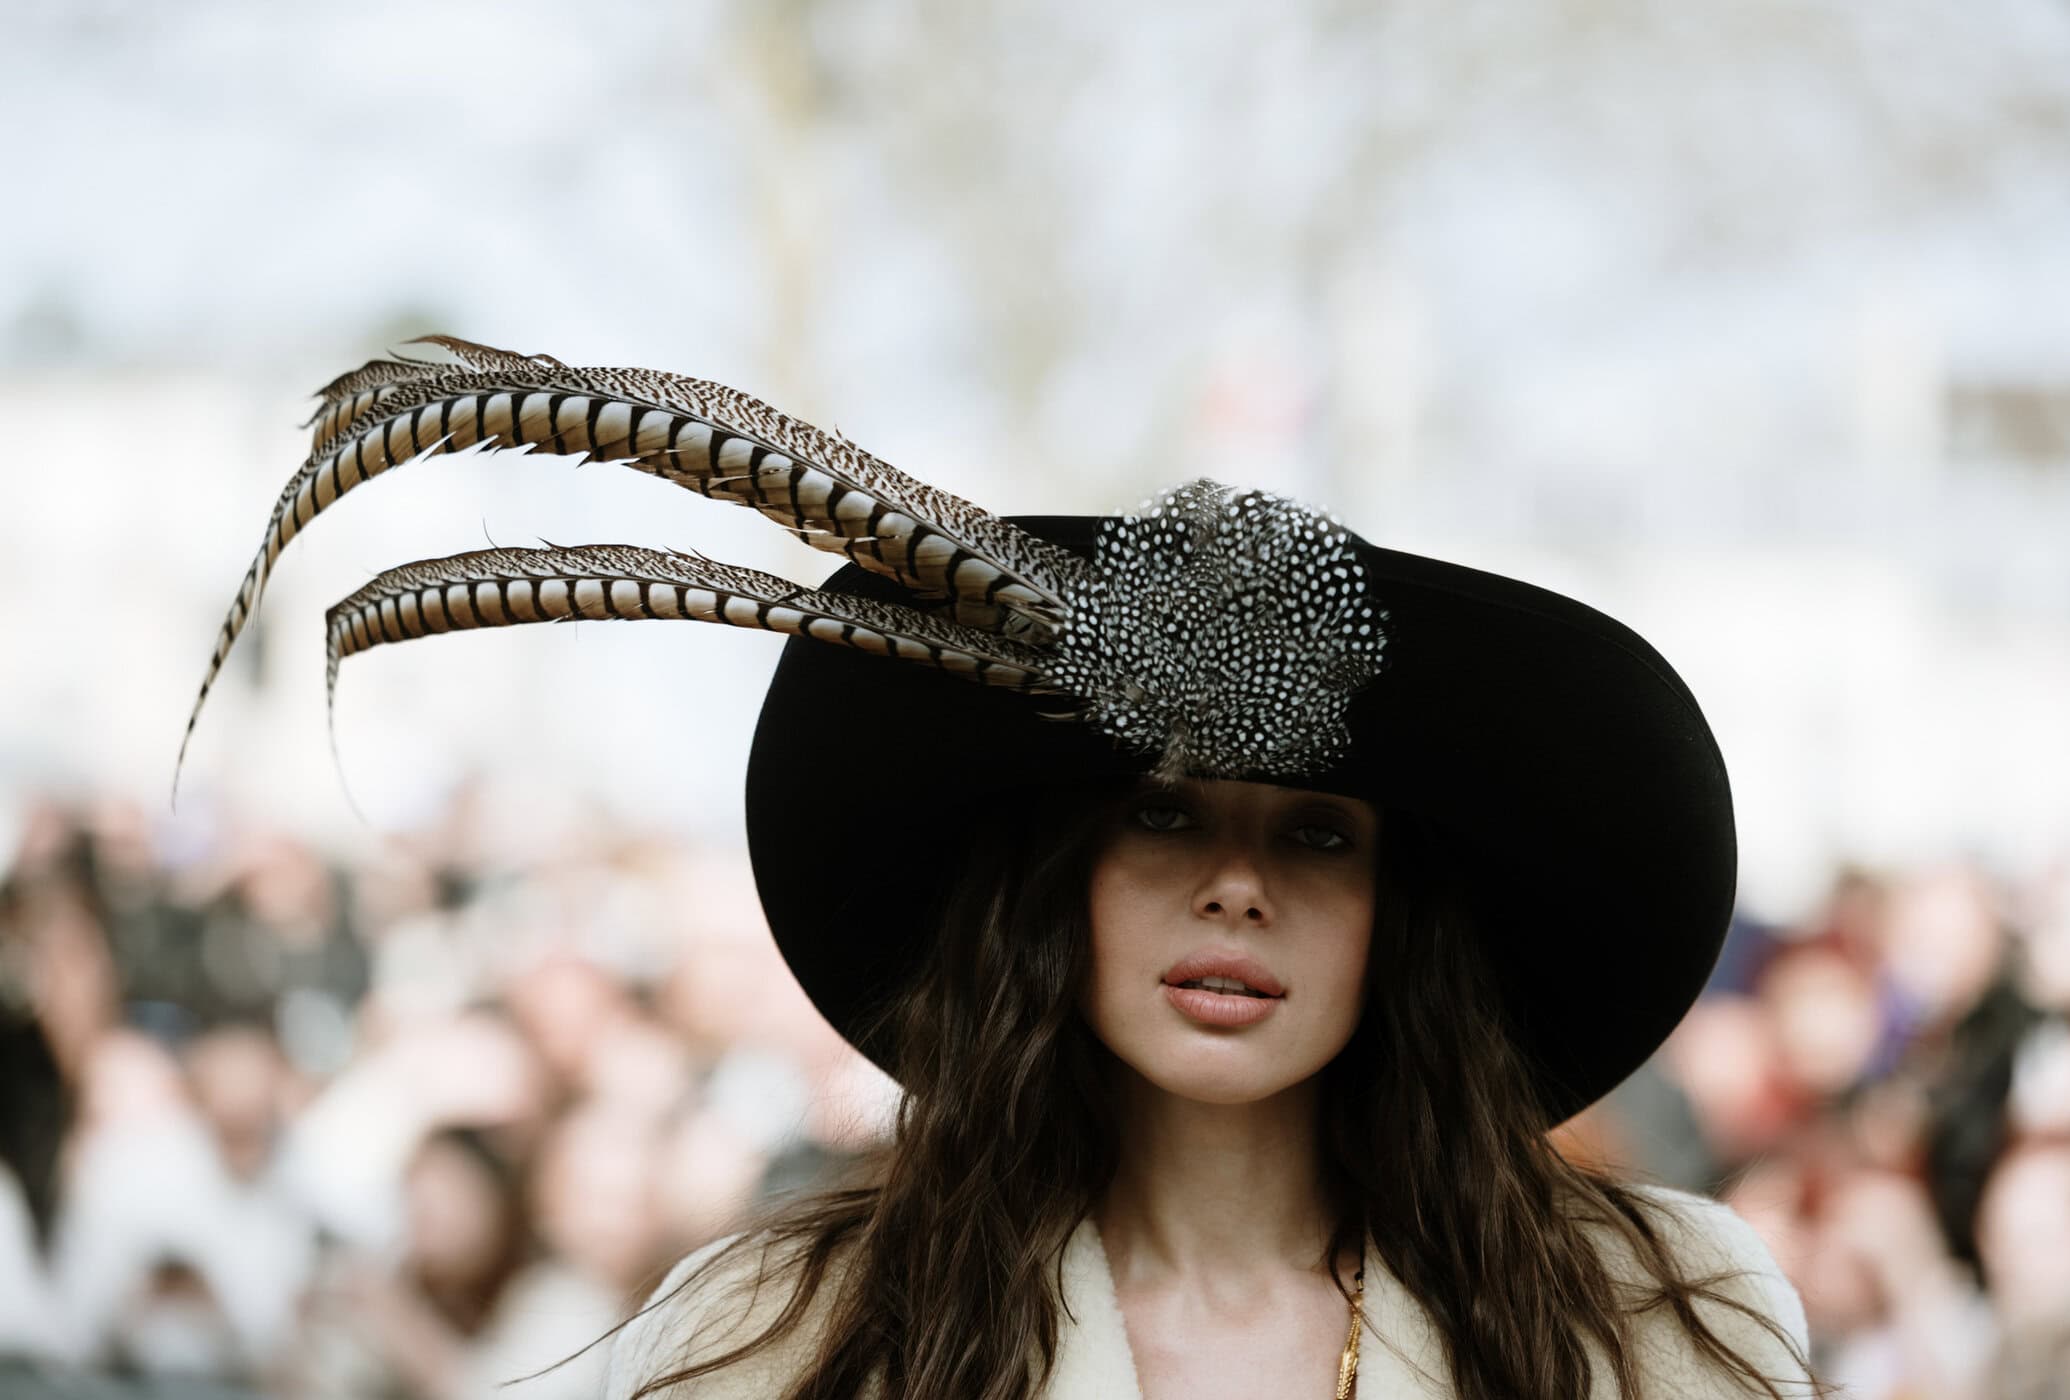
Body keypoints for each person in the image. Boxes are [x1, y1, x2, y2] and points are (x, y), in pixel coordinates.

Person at [181, 338, 1817, 1398]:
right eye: (1164, 815)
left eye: (1316, 833)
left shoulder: (1648, 1321)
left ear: (1400, 917)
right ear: (1061, 885)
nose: (1236, 886)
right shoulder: (788, 1336)